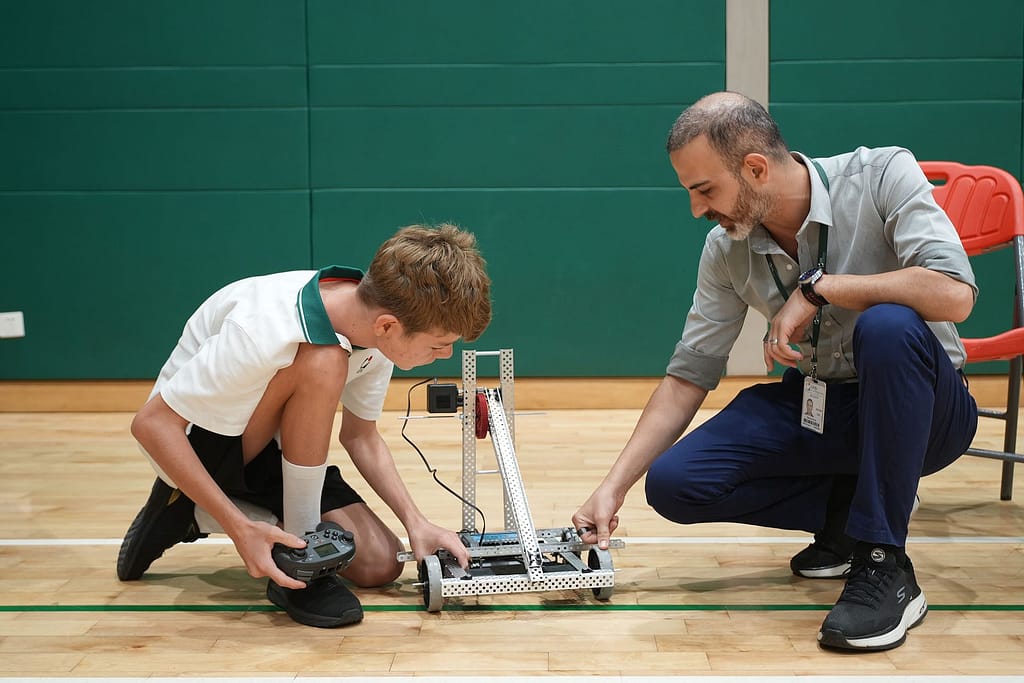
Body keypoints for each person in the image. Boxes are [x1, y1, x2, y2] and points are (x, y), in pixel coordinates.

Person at [572, 92, 978, 652]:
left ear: (756, 168)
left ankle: (885, 564)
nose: (696, 209)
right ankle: (851, 518)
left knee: (887, 326)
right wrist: (611, 489)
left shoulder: (882, 175)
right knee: (675, 484)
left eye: (704, 190)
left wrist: (820, 289)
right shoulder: (725, 249)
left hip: (927, 410)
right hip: (826, 404)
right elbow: (688, 375)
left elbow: (955, 294)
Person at [117, 223, 492, 628]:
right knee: (324, 359)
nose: (446, 354)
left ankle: (189, 514)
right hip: (197, 448)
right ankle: (296, 564)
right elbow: (151, 425)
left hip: (281, 452)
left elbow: (361, 436)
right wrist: (239, 529)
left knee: (379, 564)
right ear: (387, 325)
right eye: (439, 344)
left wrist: (415, 521)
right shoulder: (265, 323)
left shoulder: (378, 328)